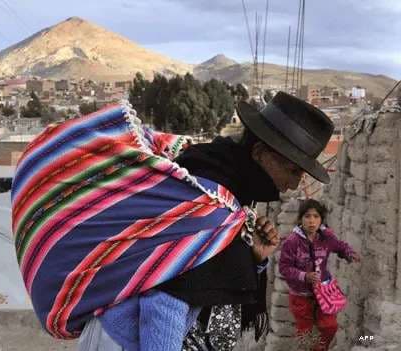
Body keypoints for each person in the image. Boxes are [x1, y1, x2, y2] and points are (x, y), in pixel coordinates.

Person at [77, 91, 336, 351]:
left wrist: (252, 258)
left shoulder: (231, 185)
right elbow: (165, 299)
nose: (292, 184)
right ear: (259, 153)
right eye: (292, 171)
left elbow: (210, 277)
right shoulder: (209, 197)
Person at [279, 199, 359, 351]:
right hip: (300, 295)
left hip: (323, 293)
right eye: (307, 216)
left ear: (321, 219)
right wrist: (304, 276)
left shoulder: (326, 237)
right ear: (300, 219)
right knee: (306, 334)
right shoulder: (292, 242)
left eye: (316, 216)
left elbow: (339, 246)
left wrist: (348, 253)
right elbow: (284, 267)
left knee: (330, 326)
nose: (311, 221)